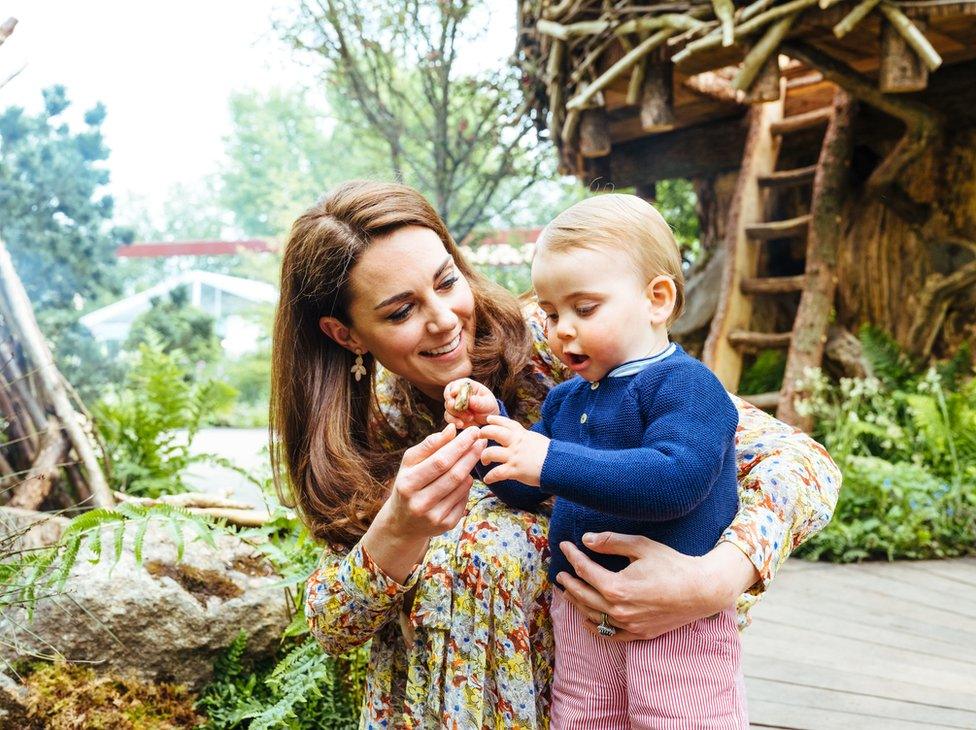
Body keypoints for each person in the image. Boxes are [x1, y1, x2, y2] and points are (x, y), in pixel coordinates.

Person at [272, 180, 840, 729]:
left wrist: (716, 579)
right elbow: (332, 624)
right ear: (346, 335)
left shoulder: (568, 344)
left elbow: (802, 463)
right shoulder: (362, 434)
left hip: (619, 689)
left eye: (447, 282)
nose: (444, 320)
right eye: (401, 312)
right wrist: (396, 532)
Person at [444, 194, 747, 727]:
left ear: (656, 300)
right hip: (580, 617)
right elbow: (522, 486)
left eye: (584, 309)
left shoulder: (687, 386)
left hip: (674, 624)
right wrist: (488, 433)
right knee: (583, 718)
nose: (562, 329)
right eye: (552, 312)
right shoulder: (566, 399)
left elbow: (677, 480)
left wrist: (550, 460)